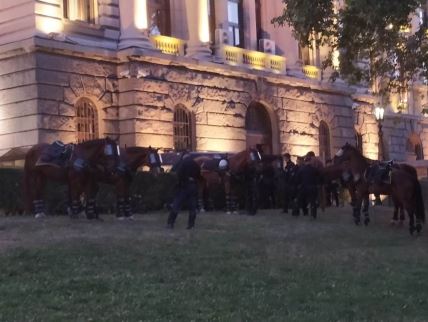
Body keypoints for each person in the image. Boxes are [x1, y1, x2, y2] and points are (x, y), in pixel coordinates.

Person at [167, 151, 202, 229]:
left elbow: (178, 174)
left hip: (183, 186)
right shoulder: (195, 164)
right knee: (192, 207)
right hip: (193, 187)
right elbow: (199, 176)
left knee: (176, 205)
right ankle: (191, 225)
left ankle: (170, 223)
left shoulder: (182, 163)